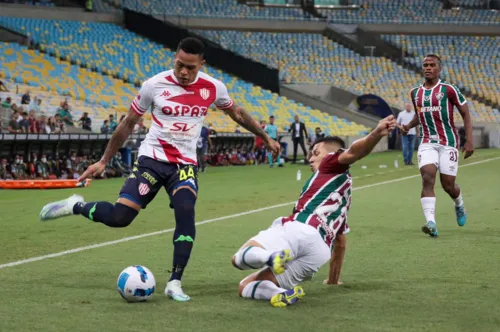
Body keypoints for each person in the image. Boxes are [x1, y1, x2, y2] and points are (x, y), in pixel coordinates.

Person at [39, 37, 280, 302]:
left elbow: (238, 114)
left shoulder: (213, 87)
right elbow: (128, 123)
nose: (184, 72)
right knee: (120, 218)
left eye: (191, 67)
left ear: (202, 64)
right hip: (151, 160)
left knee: (185, 210)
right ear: (174, 58)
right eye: (179, 65)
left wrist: (265, 137)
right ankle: (76, 205)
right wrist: (104, 161)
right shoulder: (154, 85)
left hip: (185, 165)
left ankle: (175, 281)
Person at [231, 116, 396, 308]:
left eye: (316, 153)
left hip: (302, 228)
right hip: (319, 251)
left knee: (238, 259)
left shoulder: (330, 164)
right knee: (245, 286)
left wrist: (375, 133)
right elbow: (340, 242)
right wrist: (333, 279)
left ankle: (271, 256)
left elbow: (354, 153)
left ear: (331, 155)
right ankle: (281, 294)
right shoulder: (343, 194)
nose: (310, 158)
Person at [400, 54, 473, 237]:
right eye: (425, 65)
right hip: (426, 142)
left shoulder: (449, 89)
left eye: (432, 65)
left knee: (448, 185)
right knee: (428, 177)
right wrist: (408, 126)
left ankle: (459, 205)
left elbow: (465, 113)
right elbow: (421, 114)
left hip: (448, 142)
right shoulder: (415, 92)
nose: (428, 68)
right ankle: (431, 223)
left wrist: (469, 140)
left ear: (439, 69)